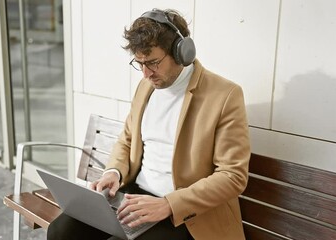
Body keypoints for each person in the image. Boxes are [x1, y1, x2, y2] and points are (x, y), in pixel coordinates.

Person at [47, 8, 250, 240]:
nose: (145, 74)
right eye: (139, 63)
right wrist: (114, 172)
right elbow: (127, 138)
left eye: (153, 63)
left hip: (186, 214)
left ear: (182, 52)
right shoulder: (146, 87)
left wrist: (168, 204)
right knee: (61, 231)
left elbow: (233, 175)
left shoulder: (225, 95)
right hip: (134, 196)